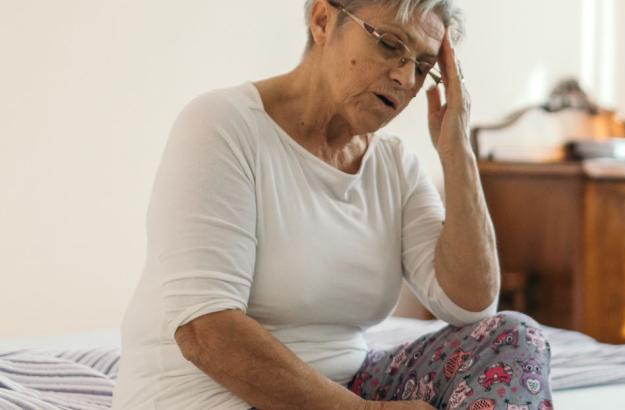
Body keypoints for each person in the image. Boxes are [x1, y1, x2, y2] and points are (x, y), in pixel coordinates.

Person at [111, 1, 552, 409]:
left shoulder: (393, 165)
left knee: (512, 338)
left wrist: (457, 152)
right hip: (208, 395)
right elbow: (205, 333)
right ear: (323, 20)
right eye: (389, 45)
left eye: (423, 67)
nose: (405, 78)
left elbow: (471, 305)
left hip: (344, 386)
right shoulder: (222, 125)